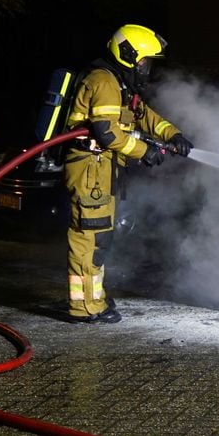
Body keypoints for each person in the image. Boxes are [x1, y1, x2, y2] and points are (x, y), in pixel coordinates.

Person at [62, 24, 193, 323]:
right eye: (145, 61)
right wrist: (144, 152)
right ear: (129, 55)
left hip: (102, 171)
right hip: (90, 172)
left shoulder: (120, 85)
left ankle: (93, 300)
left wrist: (173, 135)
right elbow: (108, 133)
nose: (147, 69)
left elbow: (144, 116)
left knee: (99, 240)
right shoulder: (104, 81)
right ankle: (84, 308)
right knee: (89, 240)